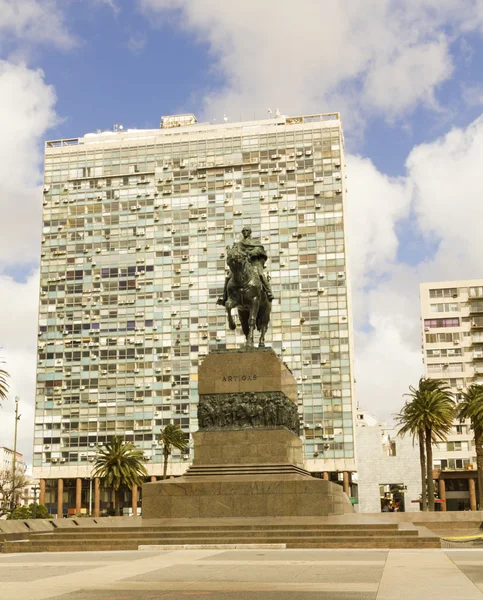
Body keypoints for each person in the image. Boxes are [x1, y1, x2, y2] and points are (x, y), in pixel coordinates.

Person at [218, 226, 274, 306]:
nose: (245, 232)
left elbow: (259, 250)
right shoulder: (238, 244)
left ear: (250, 232)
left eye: (247, 230)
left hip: (253, 263)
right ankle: (224, 296)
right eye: (243, 231)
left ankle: (268, 292)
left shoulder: (255, 242)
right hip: (241, 264)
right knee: (228, 277)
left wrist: (251, 253)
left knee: (261, 274)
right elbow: (234, 252)